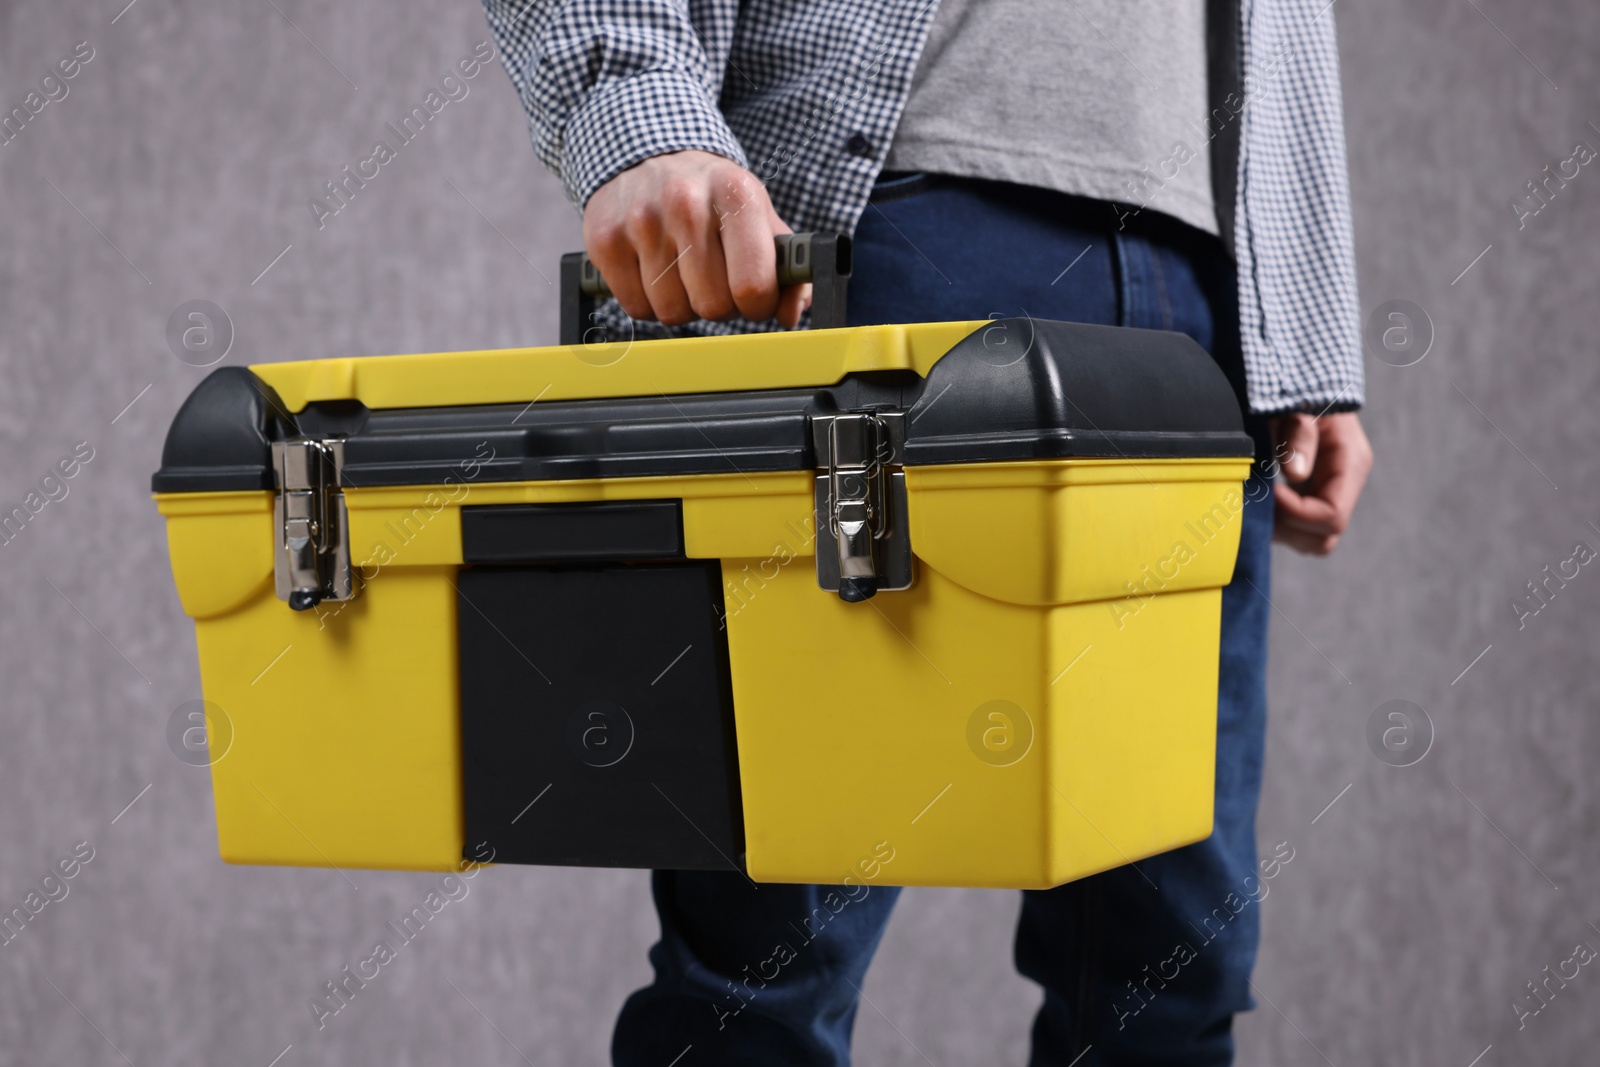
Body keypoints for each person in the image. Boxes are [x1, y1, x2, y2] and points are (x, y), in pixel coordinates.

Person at [480, 0, 1374, 1062]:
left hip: (1199, 275)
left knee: (1171, 975)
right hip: (882, 224)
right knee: (766, 973)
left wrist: (1303, 324)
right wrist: (630, 98)